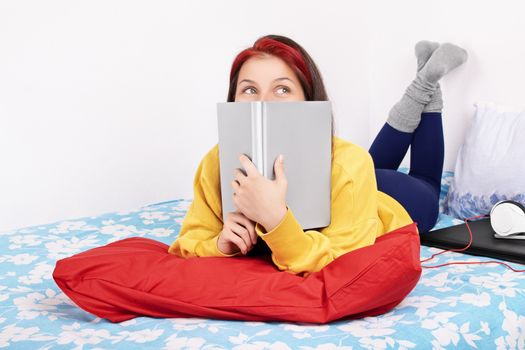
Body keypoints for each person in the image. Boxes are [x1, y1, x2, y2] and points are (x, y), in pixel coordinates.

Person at [168, 35, 468, 276]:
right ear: (233, 98)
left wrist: (276, 220)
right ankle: (424, 79)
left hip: (386, 203)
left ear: (308, 99)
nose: (263, 102)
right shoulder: (214, 162)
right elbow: (188, 242)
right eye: (249, 90)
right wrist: (220, 245)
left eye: (282, 89)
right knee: (361, 165)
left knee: (426, 185)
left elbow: (343, 264)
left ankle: (427, 83)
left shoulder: (349, 164)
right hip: (351, 185)